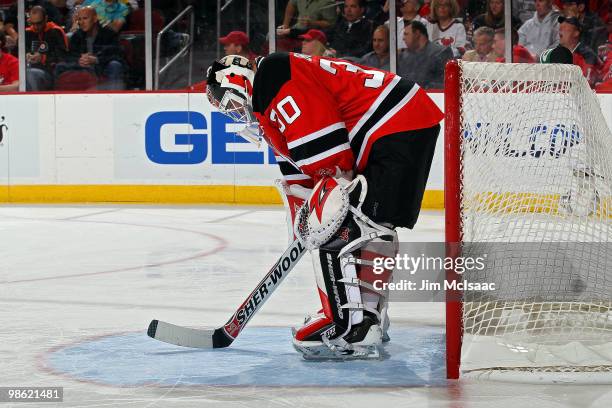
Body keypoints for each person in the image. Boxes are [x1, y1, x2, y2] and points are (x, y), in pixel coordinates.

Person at [205, 50, 443, 359]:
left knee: (342, 222)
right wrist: (298, 231)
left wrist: (317, 217)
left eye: (231, 103)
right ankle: (367, 317)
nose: (235, 112)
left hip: (393, 122)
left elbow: (333, 162)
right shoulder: (267, 100)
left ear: (238, 81)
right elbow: (299, 177)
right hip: (401, 118)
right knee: (374, 221)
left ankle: (346, 324)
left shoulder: (274, 77)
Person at [55, 6, 125, 89]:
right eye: (79, 19)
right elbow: (69, 55)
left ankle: (114, 97)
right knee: (60, 66)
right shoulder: (77, 36)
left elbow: (116, 53)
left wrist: (96, 59)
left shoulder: (109, 34)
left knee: (115, 65)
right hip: (81, 66)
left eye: (85, 18)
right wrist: (80, 59)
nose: (81, 22)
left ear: (95, 18)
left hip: (102, 65)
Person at [25, 6, 69, 91]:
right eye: (33, 23)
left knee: (30, 74)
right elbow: (16, 54)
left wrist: (43, 58)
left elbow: (63, 56)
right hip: (29, 70)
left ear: (46, 18)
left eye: (39, 23)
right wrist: (26, 55)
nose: (36, 27)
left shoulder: (56, 31)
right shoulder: (27, 33)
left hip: (51, 73)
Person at [399, 20, 453, 88]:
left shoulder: (441, 52)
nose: (403, 38)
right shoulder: (404, 56)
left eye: (406, 34)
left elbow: (446, 83)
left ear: (417, 34)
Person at [558, 15, 603, 87]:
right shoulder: (557, 54)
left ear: (576, 33)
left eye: (565, 27)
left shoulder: (587, 55)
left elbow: (587, 84)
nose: (560, 29)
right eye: (560, 27)